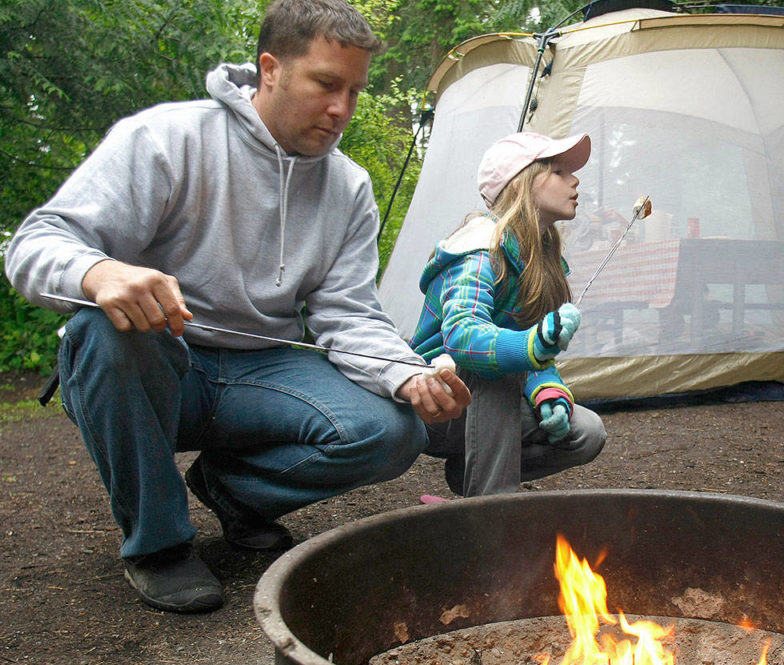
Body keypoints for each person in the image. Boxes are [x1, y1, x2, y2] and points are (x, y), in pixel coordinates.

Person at [3, 0, 470, 614]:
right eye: (327, 84)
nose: (342, 109)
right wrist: (100, 271)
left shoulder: (348, 186)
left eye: (355, 91)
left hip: (265, 370)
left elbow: (347, 312)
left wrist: (405, 372)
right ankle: (158, 545)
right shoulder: (167, 139)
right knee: (104, 331)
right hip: (162, 361)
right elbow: (33, 244)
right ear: (270, 68)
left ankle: (234, 493)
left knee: (391, 431)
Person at [409, 132, 606, 498]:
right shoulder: (480, 249)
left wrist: (548, 391)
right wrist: (532, 345)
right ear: (523, 184)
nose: (575, 180)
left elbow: (532, 355)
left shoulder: (539, 260)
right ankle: (493, 512)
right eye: (560, 172)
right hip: (431, 403)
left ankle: (472, 481)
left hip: (480, 411)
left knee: (586, 432)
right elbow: (463, 335)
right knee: (497, 366)